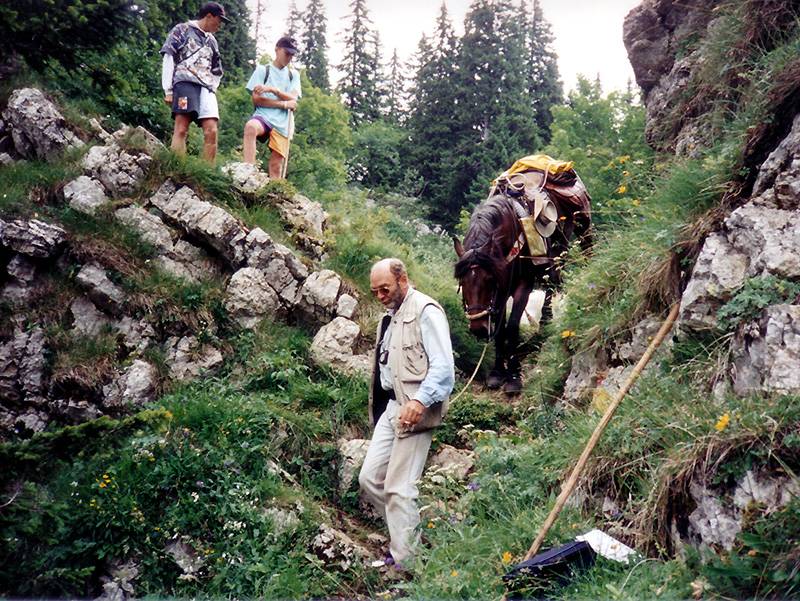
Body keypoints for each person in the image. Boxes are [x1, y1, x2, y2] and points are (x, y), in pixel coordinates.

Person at [359, 258, 455, 570]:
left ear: (403, 280)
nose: (380, 296)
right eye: (375, 292)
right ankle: (407, 540)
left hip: (417, 410)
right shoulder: (388, 317)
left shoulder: (426, 311)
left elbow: (443, 368)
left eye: (385, 289)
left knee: (400, 488)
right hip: (391, 408)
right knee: (370, 478)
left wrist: (420, 401)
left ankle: (408, 566)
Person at [160, 2, 229, 164]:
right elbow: (168, 57)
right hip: (185, 83)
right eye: (219, 20)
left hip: (207, 88)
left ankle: (206, 174)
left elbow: (217, 70)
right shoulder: (182, 29)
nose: (220, 25)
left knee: (211, 131)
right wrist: (168, 90)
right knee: (182, 128)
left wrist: (213, 87)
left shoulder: (212, 41)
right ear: (209, 16)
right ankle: (177, 169)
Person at [242, 36, 302, 178]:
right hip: (263, 116)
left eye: (292, 55)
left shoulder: (293, 75)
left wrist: (273, 90)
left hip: (283, 123)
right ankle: (248, 173)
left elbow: (294, 98)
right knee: (250, 127)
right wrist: (284, 104)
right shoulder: (263, 70)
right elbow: (256, 100)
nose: (289, 57)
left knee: (276, 165)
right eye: (286, 53)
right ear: (277, 49)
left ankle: (274, 192)